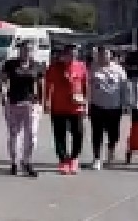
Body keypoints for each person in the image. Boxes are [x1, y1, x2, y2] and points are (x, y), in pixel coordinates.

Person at [0, 41, 44, 177]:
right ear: (19, 51)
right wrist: (3, 94)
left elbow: (41, 84)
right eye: (24, 49)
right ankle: (14, 162)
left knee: (32, 135)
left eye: (29, 50)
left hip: (31, 104)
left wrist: (41, 101)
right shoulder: (10, 64)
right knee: (14, 134)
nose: (26, 52)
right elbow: (3, 81)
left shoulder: (37, 65)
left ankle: (27, 161)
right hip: (13, 103)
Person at [44, 44, 88, 175]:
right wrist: (46, 101)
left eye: (75, 53)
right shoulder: (54, 67)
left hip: (76, 106)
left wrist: (86, 103)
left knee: (78, 133)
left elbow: (85, 85)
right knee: (59, 134)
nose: (72, 56)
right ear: (64, 54)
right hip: (58, 106)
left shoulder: (81, 66)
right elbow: (48, 85)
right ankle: (63, 160)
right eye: (70, 53)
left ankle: (74, 158)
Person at [87, 46, 130, 169]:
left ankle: (110, 152)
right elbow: (87, 86)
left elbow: (124, 87)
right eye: (100, 54)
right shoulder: (92, 68)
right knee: (97, 133)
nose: (103, 56)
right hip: (97, 106)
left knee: (114, 133)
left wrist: (125, 103)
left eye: (106, 54)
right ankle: (97, 158)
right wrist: (87, 103)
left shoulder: (118, 69)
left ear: (110, 55)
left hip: (114, 107)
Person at [123, 41, 138, 108]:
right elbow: (126, 65)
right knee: (135, 89)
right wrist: (132, 67)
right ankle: (137, 103)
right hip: (134, 75)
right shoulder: (133, 55)